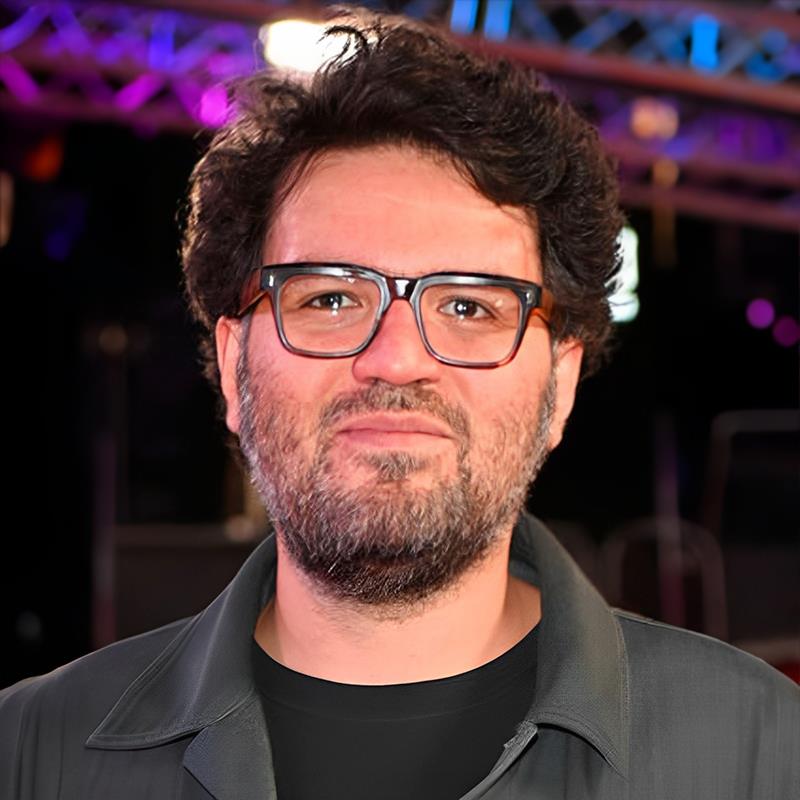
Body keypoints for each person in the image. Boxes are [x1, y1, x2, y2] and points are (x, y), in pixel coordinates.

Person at [1, 9, 797, 800]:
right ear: (236, 364)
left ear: (559, 386)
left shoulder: (761, 754)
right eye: (330, 299)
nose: (396, 359)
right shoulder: (29, 757)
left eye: (468, 307)